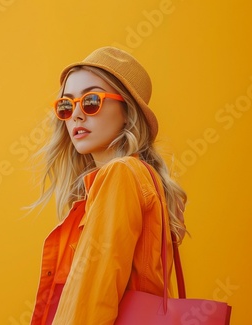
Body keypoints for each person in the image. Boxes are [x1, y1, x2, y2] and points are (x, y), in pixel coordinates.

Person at [29, 46, 187, 324]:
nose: (76, 115)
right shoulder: (136, 178)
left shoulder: (120, 175)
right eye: (67, 105)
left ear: (127, 111)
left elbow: (90, 300)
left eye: (91, 101)